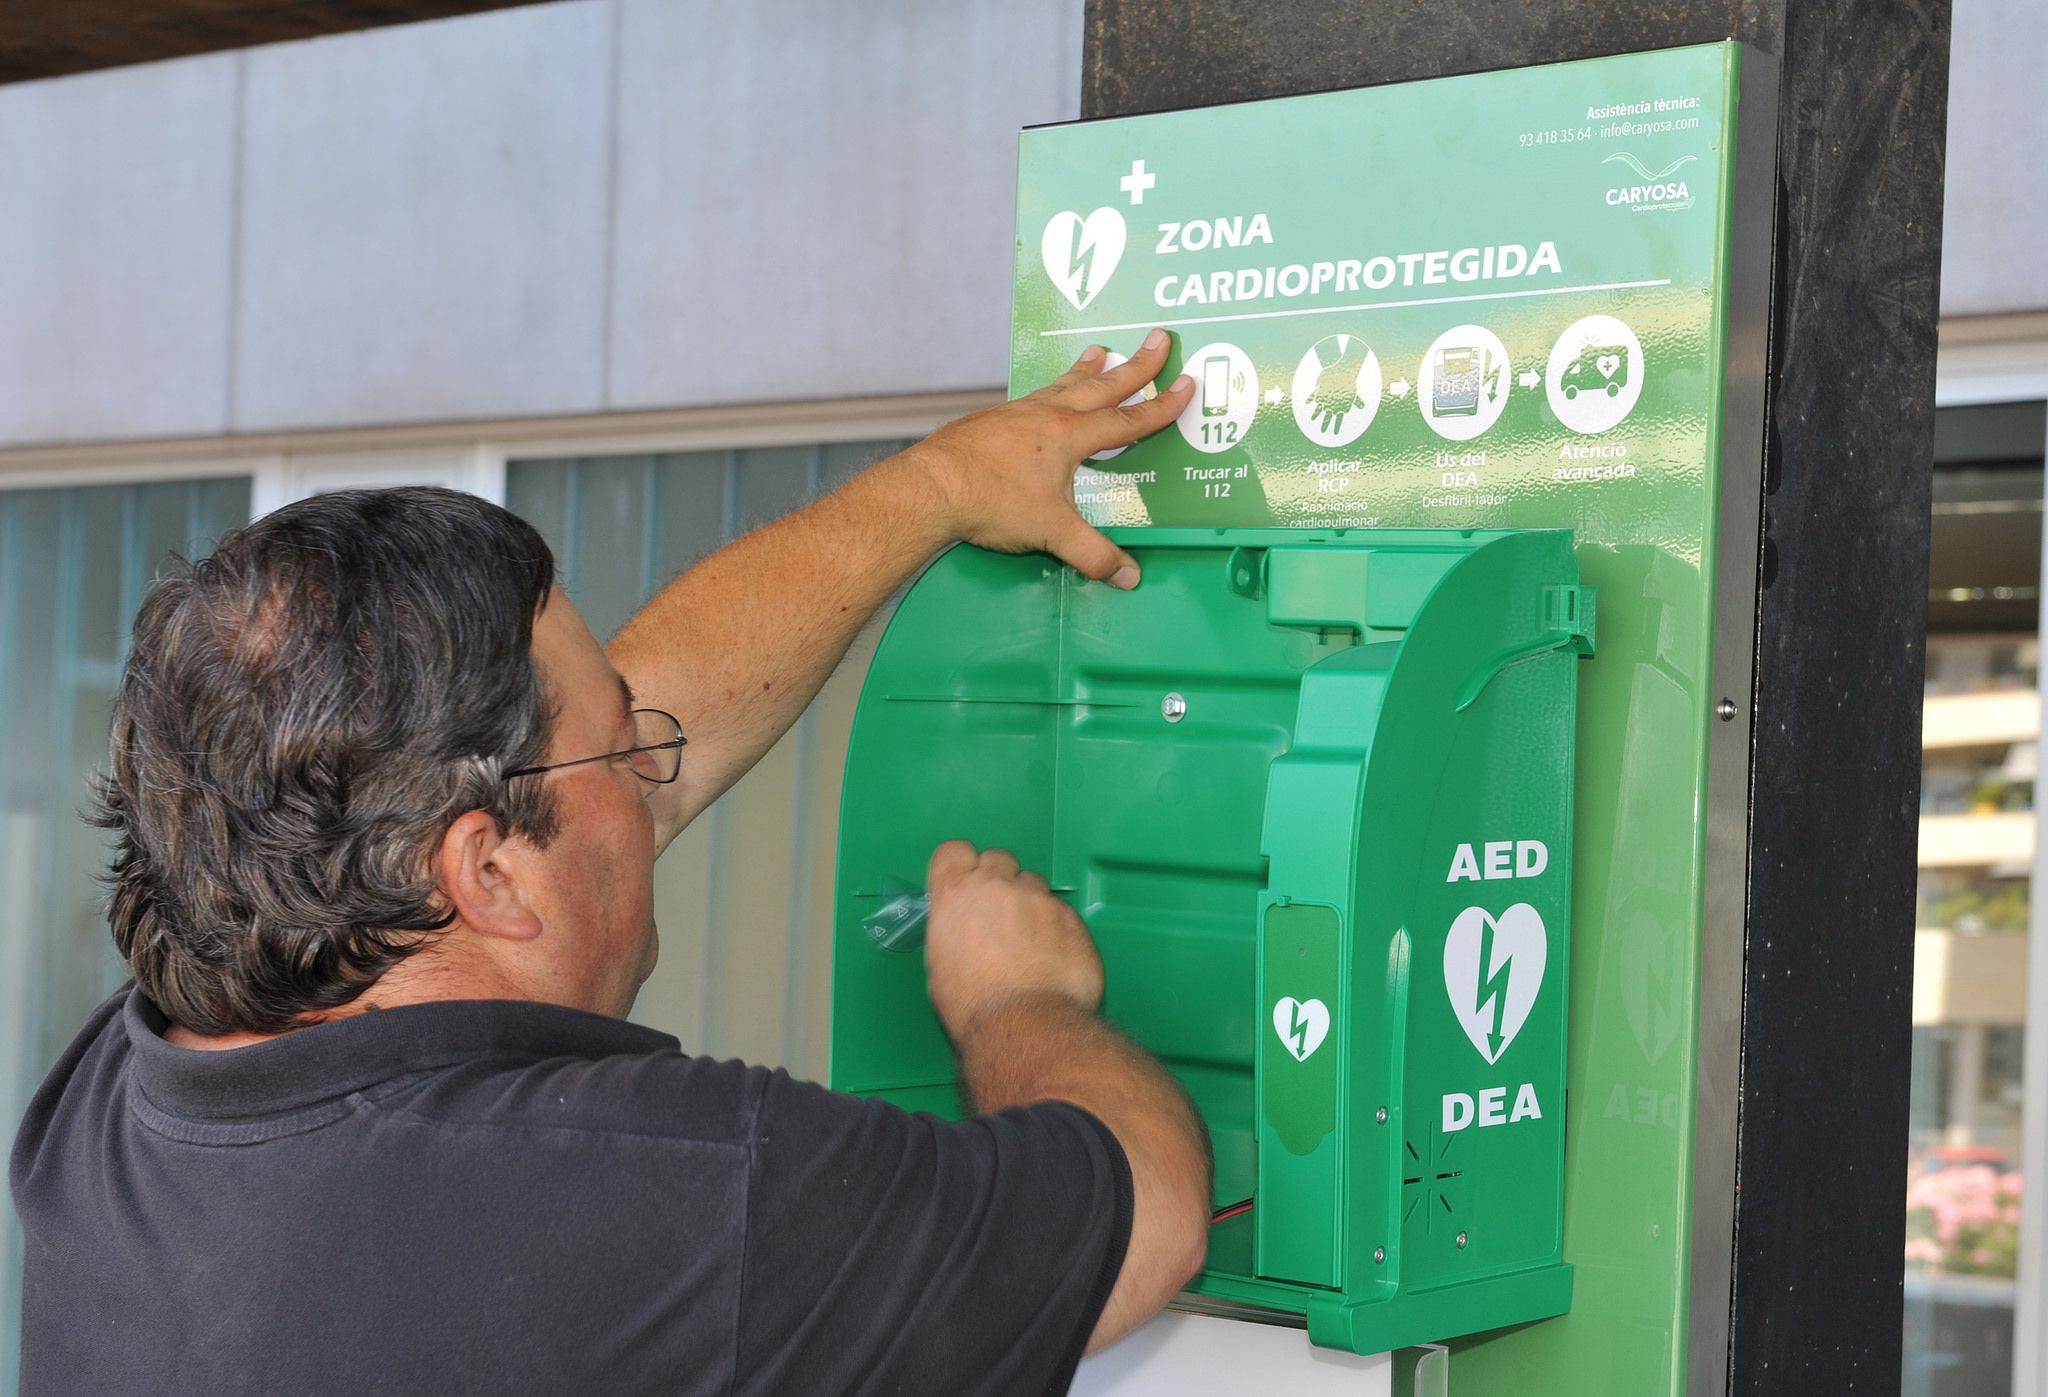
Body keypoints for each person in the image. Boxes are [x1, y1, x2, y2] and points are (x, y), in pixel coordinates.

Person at [8, 334, 1212, 1396]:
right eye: (618, 743)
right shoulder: (651, 1190)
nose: (653, 773)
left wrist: (943, 484)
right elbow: (1146, 1214)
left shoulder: (123, 1102)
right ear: (483, 872)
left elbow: (618, 767)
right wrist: (1017, 999)